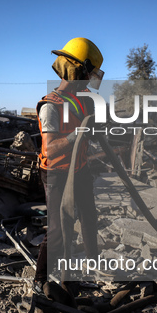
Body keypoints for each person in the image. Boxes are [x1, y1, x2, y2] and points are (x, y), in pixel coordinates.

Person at [34, 37, 104, 291]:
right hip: (57, 174)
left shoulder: (82, 99)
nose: (90, 80)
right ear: (77, 69)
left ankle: (87, 269)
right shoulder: (50, 106)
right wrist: (79, 133)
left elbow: (90, 127)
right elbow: (51, 150)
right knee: (58, 230)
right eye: (89, 73)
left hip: (79, 169)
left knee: (88, 218)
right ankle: (40, 279)